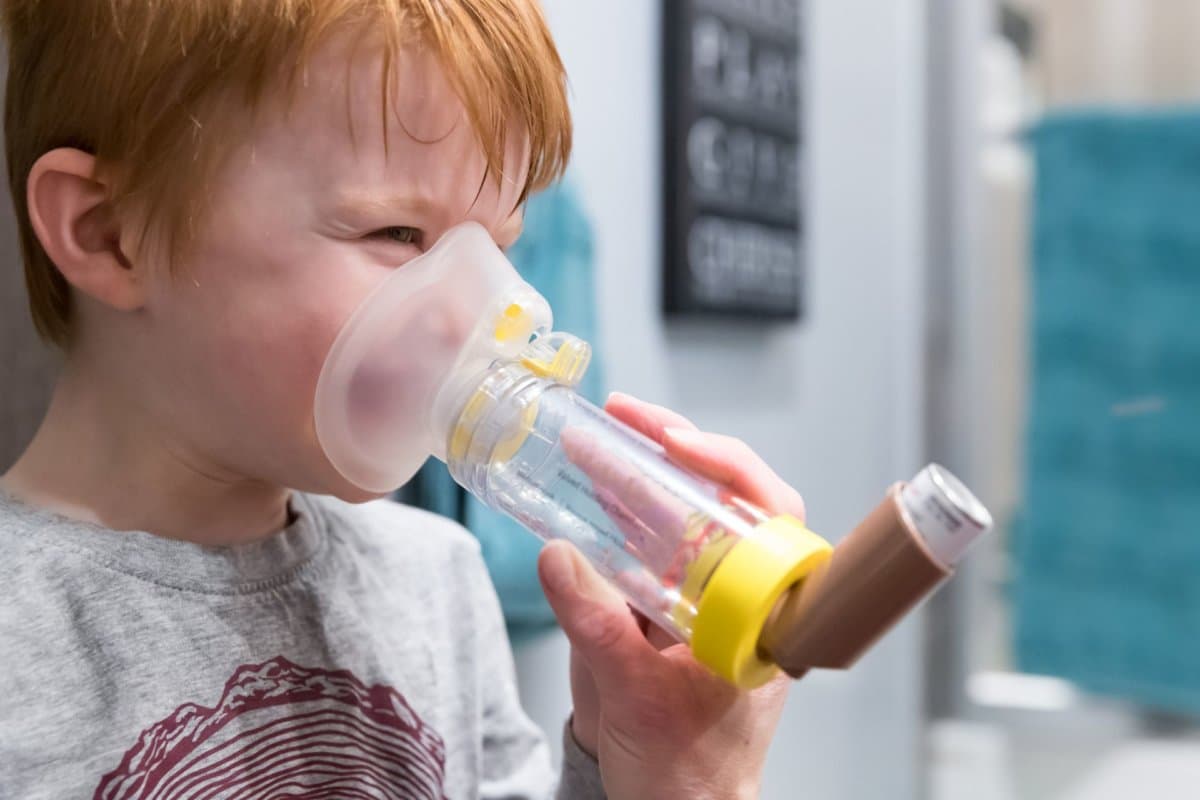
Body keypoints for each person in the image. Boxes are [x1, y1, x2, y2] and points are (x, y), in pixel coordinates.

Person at [0, 2, 804, 797]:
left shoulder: (437, 583)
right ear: (108, 231)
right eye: (397, 235)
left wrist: (672, 774)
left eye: (497, 248)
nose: (484, 315)